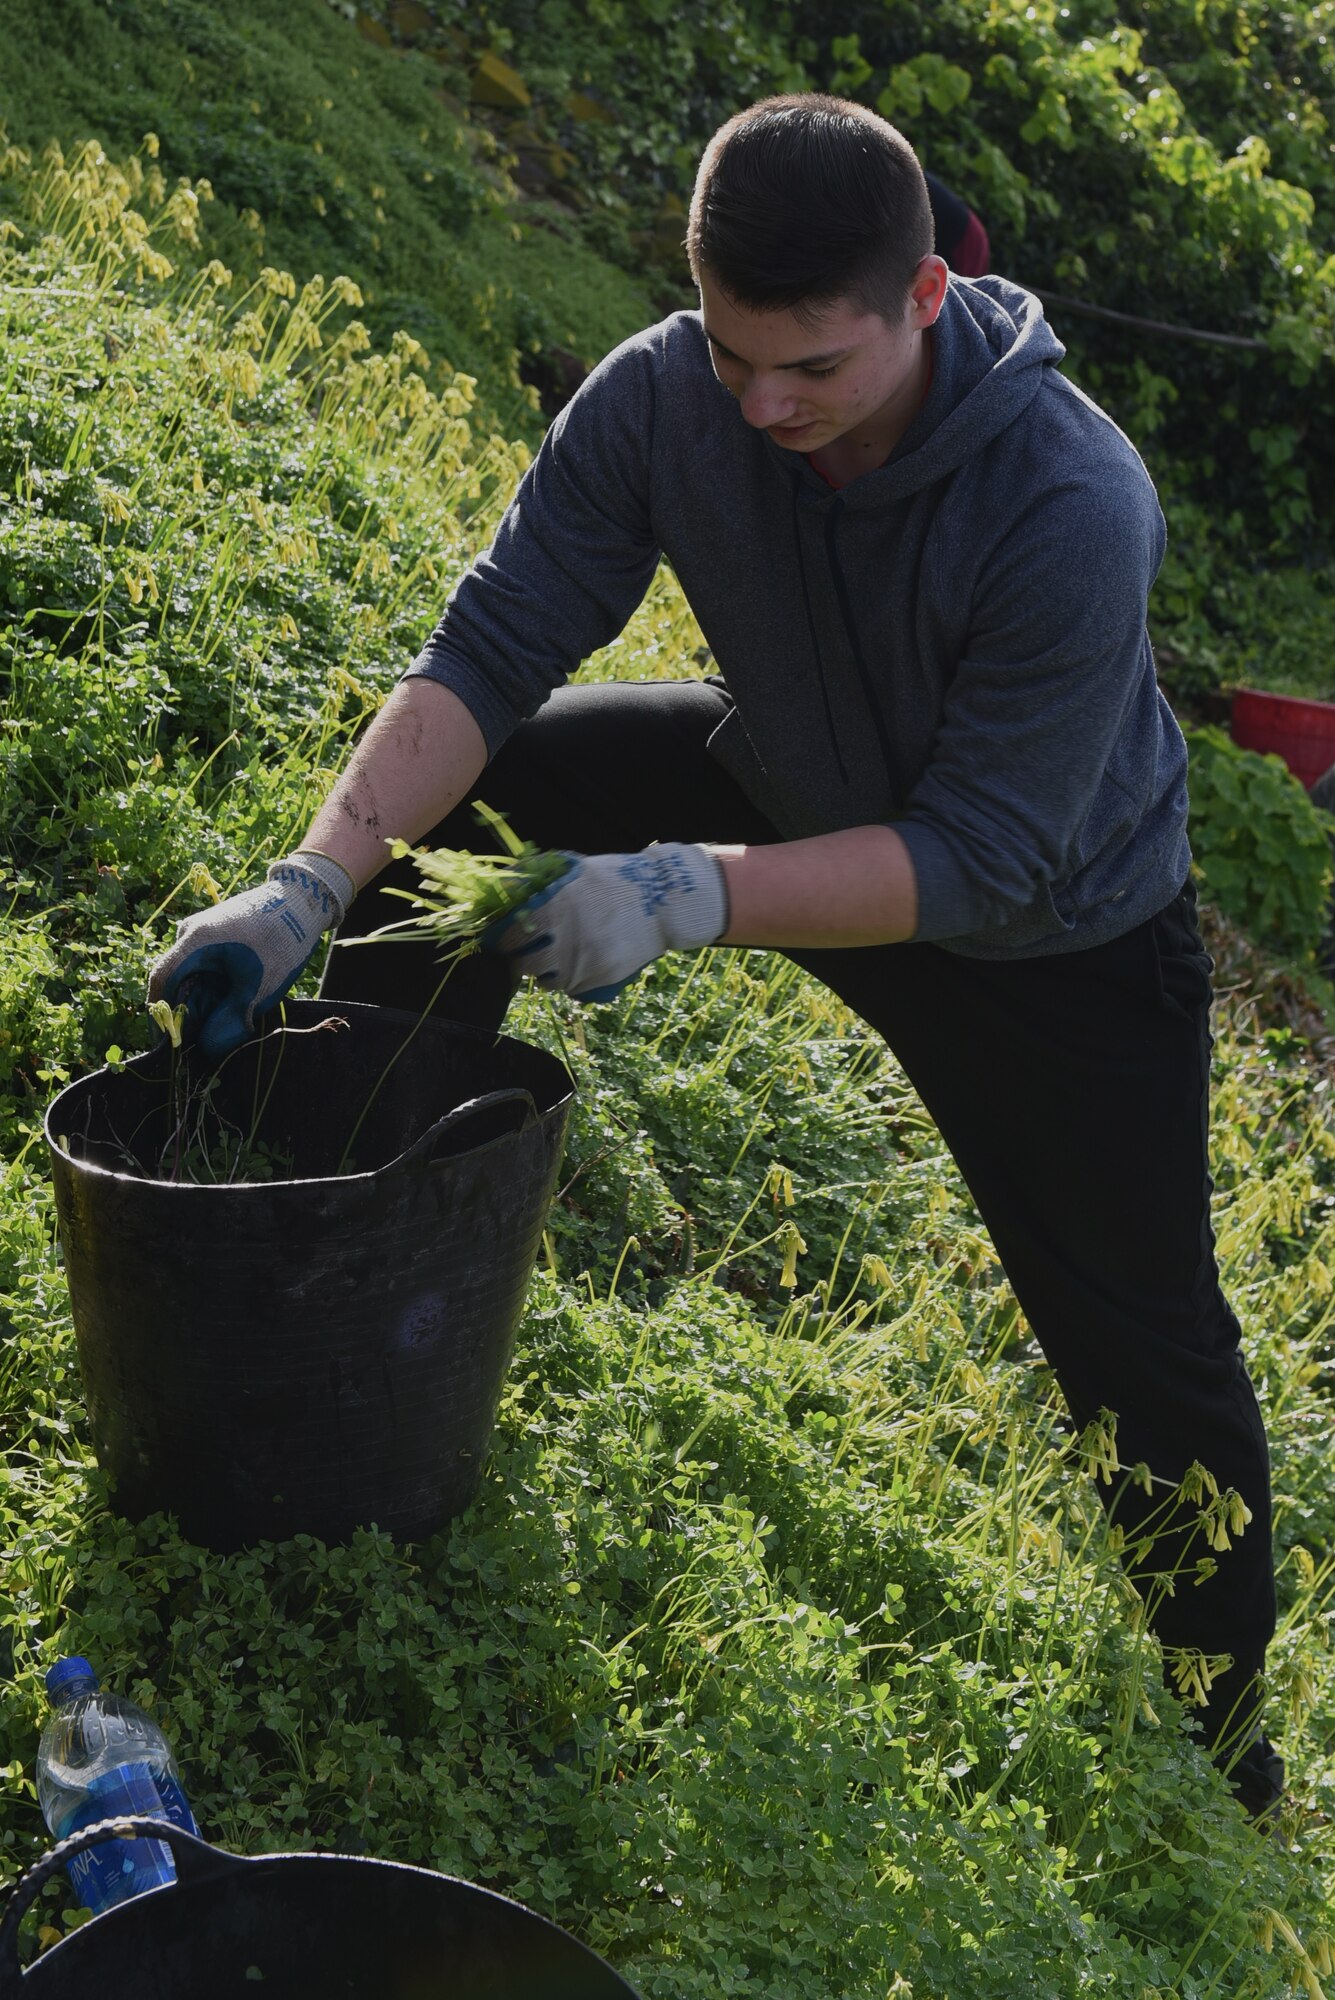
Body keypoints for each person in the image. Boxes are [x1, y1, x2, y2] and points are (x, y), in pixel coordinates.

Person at [149, 94, 1284, 1821]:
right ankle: (368, 1276)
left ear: (921, 299)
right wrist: (308, 886)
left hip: (1053, 934)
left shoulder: (1071, 500)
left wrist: (682, 891)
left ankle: (1227, 1766)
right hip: (797, 789)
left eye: (809, 370)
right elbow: (497, 637)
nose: (762, 407)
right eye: (734, 352)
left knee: (1147, 1356)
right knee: (499, 793)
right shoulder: (674, 392)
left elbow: (980, 854)